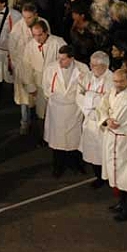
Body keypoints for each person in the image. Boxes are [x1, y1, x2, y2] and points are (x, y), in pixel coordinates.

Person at [98, 68, 127, 221]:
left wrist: (108, 119)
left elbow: (117, 121)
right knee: (116, 173)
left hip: (123, 140)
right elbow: (102, 106)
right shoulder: (113, 91)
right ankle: (121, 202)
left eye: (121, 81)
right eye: (115, 81)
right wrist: (106, 118)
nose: (117, 84)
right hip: (113, 139)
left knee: (126, 175)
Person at [43, 45, 89, 177]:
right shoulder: (51, 68)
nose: (60, 61)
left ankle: (76, 164)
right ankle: (58, 166)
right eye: (59, 58)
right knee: (58, 141)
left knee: (74, 139)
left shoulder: (82, 69)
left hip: (74, 109)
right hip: (57, 109)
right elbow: (46, 87)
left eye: (63, 59)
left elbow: (85, 87)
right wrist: (54, 97)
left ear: (71, 59)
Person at [21, 20, 66, 140]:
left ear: (46, 32)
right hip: (39, 83)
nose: (37, 38)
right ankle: (43, 137)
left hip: (55, 83)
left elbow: (65, 62)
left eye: (40, 35)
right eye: (34, 35)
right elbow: (26, 67)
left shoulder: (58, 42)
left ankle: (57, 136)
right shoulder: (30, 46)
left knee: (57, 112)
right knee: (41, 113)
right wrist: (30, 86)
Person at [77, 51, 113, 187]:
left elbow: (109, 102)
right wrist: (89, 103)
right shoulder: (88, 77)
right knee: (92, 153)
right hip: (89, 119)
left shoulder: (111, 81)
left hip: (102, 123)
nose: (90, 68)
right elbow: (79, 94)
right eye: (91, 64)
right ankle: (98, 176)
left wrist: (90, 96)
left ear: (104, 66)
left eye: (93, 65)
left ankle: (108, 178)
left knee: (103, 153)